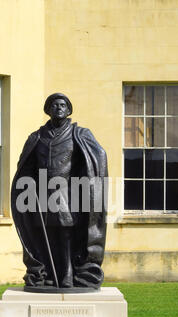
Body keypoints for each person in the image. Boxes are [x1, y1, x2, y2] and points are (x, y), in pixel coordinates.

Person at [11, 93, 108, 291]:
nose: (59, 108)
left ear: (69, 109)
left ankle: (67, 275)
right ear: (48, 110)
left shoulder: (79, 134)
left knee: (65, 234)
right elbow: (26, 166)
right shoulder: (37, 137)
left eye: (63, 105)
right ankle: (48, 273)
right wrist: (29, 184)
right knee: (44, 234)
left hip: (67, 193)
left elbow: (98, 155)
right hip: (41, 195)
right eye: (54, 105)